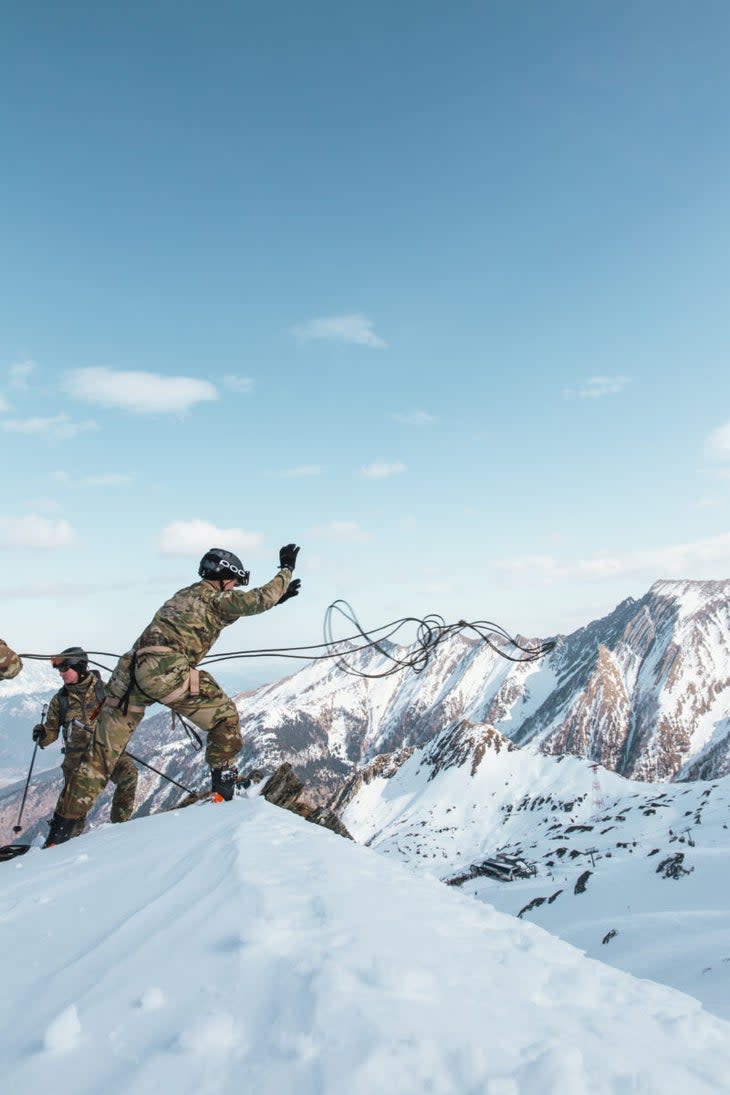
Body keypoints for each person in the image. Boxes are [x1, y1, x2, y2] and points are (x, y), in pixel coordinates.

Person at [45, 544, 301, 846]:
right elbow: (257, 600)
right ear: (223, 577)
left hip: (128, 675)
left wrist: (275, 601)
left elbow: (220, 614)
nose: (233, 587)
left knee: (99, 758)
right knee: (225, 717)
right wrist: (285, 571)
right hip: (164, 671)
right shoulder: (217, 598)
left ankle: (59, 833)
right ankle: (224, 785)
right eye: (232, 581)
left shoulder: (184, 596)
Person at [36, 646, 138, 842]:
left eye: (65, 669)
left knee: (129, 775)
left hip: (106, 751)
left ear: (79, 667)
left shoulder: (104, 691)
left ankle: (120, 830)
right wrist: (42, 734)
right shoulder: (61, 700)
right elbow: (50, 734)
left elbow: (123, 719)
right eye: (59, 670)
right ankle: (61, 848)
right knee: (73, 812)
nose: (61, 674)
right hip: (77, 760)